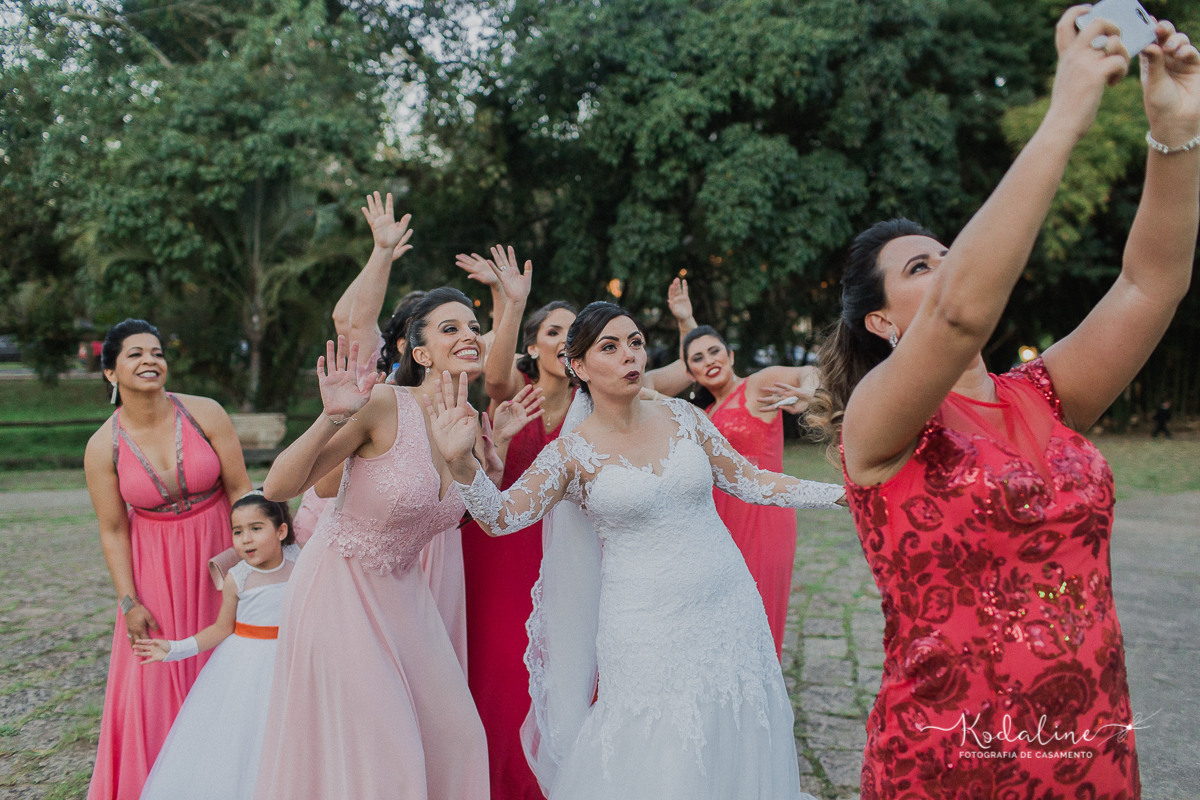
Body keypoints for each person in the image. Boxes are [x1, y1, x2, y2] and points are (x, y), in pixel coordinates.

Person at [806, 11, 1197, 797]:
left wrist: (1174, 131)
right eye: (922, 266)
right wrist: (1065, 114)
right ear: (880, 322)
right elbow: (958, 314)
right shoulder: (879, 425)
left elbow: (1152, 283)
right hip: (952, 764)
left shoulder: (1047, 397)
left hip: (1090, 749)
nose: (949, 270)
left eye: (951, 254)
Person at [423, 301, 845, 799]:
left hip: (728, 605)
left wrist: (841, 494)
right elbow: (500, 517)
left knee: (736, 722)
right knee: (660, 746)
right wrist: (463, 466)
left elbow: (748, 480)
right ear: (577, 366)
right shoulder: (570, 453)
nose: (630, 356)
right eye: (611, 346)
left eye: (636, 343)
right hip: (645, 625)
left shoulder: (684, 416)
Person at [254, 288, 542, 800]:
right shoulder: (384, 405)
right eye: (449, 328)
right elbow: (278, 488)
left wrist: (488, 472)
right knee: (387, 749)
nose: (470, 335)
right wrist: (332, 417)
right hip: (338, 591)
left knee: (457, 737)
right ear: (420, 352)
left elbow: (450, 521)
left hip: (408, 599)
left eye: (474, 326)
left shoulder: (472, 426)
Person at [459, 246, 699, 800]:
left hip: (577, 552)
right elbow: (494, 371)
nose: (564, 341)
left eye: (573, 334)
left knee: (576, 660)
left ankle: (571, 776)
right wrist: (511, 301)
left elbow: (681, 370)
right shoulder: (507, 393)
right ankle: (501, 781)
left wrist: (686, 322)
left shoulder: (603, 400)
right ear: (536, 345)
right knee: (503, 669)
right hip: (504, 551)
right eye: (553, 332)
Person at [84, 319, 253, 800]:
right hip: (154, 566)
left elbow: (241, 487)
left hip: (220, 551)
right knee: (156, 681)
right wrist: (127, 600)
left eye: (156, 352)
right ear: (111, 373)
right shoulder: (102, 447)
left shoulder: (205, 413)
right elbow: (113, 529)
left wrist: (249, 554)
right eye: (135, 354)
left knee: (232, 661)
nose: (149, 361)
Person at [135, 493, 300, 800]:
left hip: (294, 661)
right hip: (247, 667)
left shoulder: (300, 562)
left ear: (281, 531)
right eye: (237, 531)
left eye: (256, 528)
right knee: (249, 736)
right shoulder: (239, 578)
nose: (245, 539)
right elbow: (221, 629)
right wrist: (173, 648)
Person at [682, 324, 821, 659]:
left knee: (757, 613)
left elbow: (810, 370)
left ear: (730, 355)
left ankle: (761, 702)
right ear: (690, 373)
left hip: (762, 516)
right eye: (698, 358)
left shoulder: (756, 385)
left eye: (715, 351)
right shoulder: (703, 414)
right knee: (723, 617)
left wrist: (807, 393)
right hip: (717, 523)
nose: (709, 360)